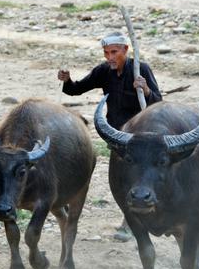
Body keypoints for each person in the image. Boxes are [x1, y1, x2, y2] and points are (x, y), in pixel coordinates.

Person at [57, 31, 163, 241]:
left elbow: (158, 103)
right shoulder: (103, 71)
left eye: (114, 52)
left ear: (125, 50)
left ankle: (131, 220)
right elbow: (76, 90)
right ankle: (131, 216)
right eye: (106, 53)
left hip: (136, 139)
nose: (110, 57)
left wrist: (146, 90)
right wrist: (67, 80)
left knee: (135, 176)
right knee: (119, 179)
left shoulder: (140, 69)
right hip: (115, 137)